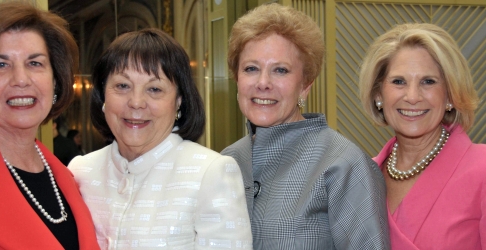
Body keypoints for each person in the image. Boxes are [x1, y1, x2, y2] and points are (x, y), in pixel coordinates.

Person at [221, 3, 390, 249]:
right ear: (237, 79)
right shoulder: (227, 161)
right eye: (251, 69)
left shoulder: (343, 163)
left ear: (305, 85)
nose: (263, 82)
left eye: (280, 70)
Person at [68, 28, 252, 249]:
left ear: (178, 102)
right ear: (102, 96)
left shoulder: (210, 173)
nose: (136, 102)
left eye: (154, 89)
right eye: (122, 86)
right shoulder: (80, 172)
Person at [0, 2, 99, 249]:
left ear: (55, 82)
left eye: (35, 63)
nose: (21, 79)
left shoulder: (68, 177)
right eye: (1, 65)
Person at [359, 23, 485, 249]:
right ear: (379, 94)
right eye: (399, 82)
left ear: (450, 95)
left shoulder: (482, 169)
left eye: (428, 82)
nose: (413, 96)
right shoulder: (359, 178)